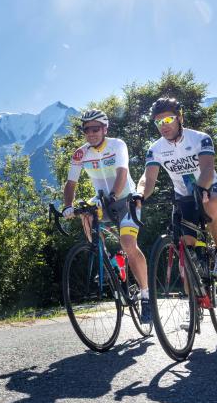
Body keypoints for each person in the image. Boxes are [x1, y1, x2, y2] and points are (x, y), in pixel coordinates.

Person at [62, 108, 151, 324]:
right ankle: (107, 263)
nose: (90, 133)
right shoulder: (80, 153)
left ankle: (146, 295)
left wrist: (113, 195)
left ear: (104, 129)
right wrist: (67, 206)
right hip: (103, 200)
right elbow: (71, 183)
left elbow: (122, 173)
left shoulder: (117, 145)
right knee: (86, 213)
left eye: (95, 129)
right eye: (86, 130)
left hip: (126, 199)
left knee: (128, 243)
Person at [137, 96, 217, 276]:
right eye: (158, 122)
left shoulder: (200, 138)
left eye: (167, 120)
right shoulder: (155, 149)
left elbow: (207, 168)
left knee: (210, 205)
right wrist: (139, 195)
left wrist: (202, 188)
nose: (163, 125)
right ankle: (196, 296)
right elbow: (148, 181)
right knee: (186, 253)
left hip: (209, 186)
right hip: (184, 196)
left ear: (180, 118)